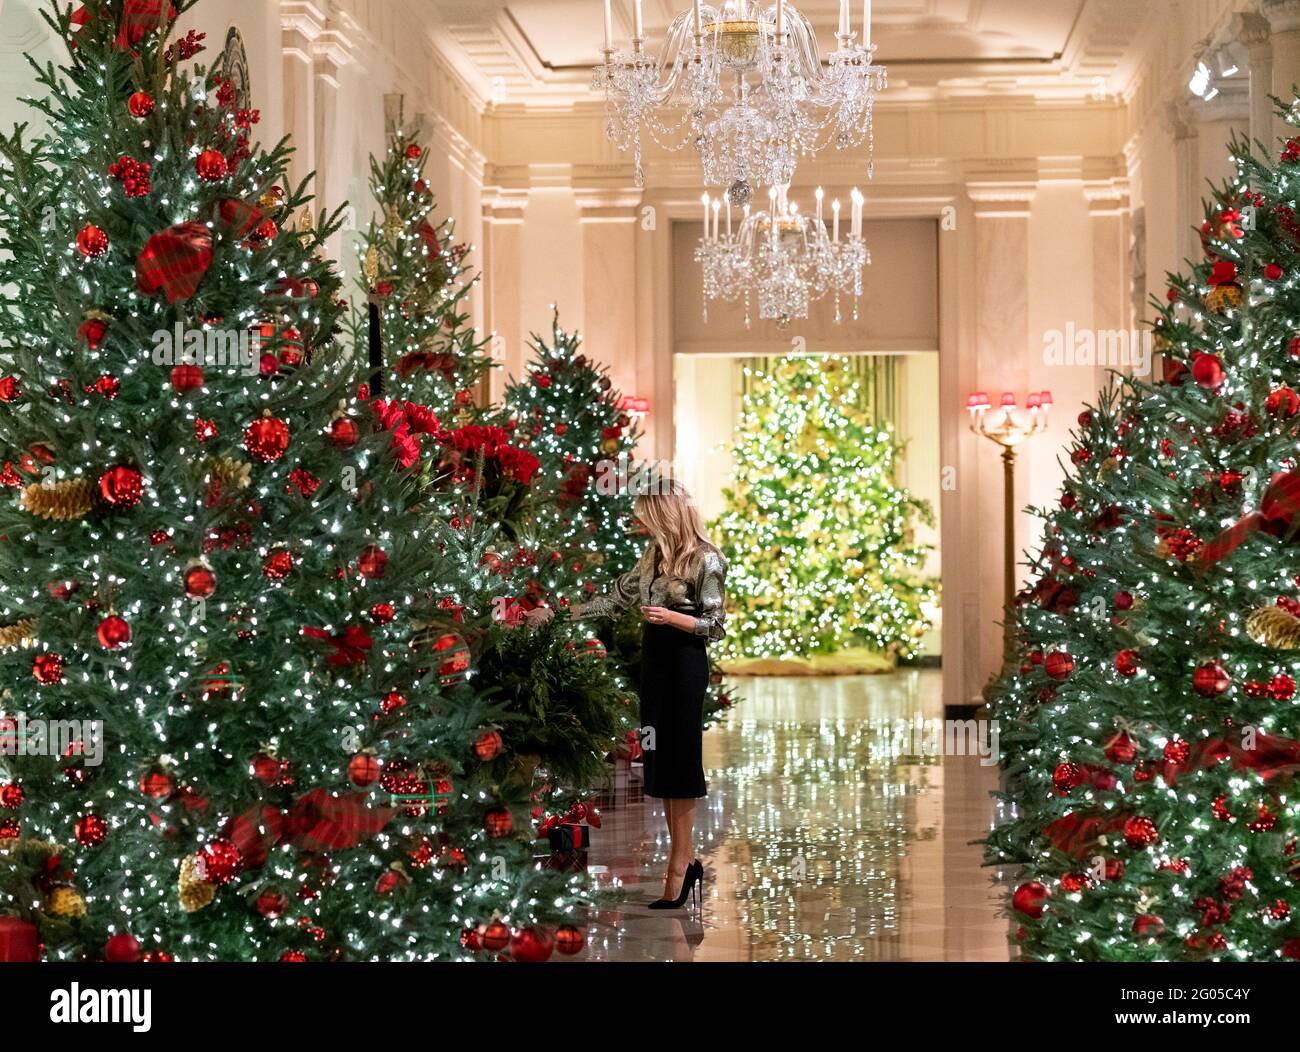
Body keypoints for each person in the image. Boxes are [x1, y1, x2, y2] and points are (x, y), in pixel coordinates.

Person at [527, 479, 726, 909]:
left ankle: (680, 866)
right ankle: (684, 861)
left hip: (685, 664)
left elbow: (716, 625)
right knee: (661, 762)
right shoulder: (652, 557)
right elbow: (612, 601)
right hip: (654, 666)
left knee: (682, 761)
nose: (642, 527)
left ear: (665, 514)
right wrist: (559, 613)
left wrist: (673, 619)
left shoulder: (706, 559)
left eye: (647, 518)